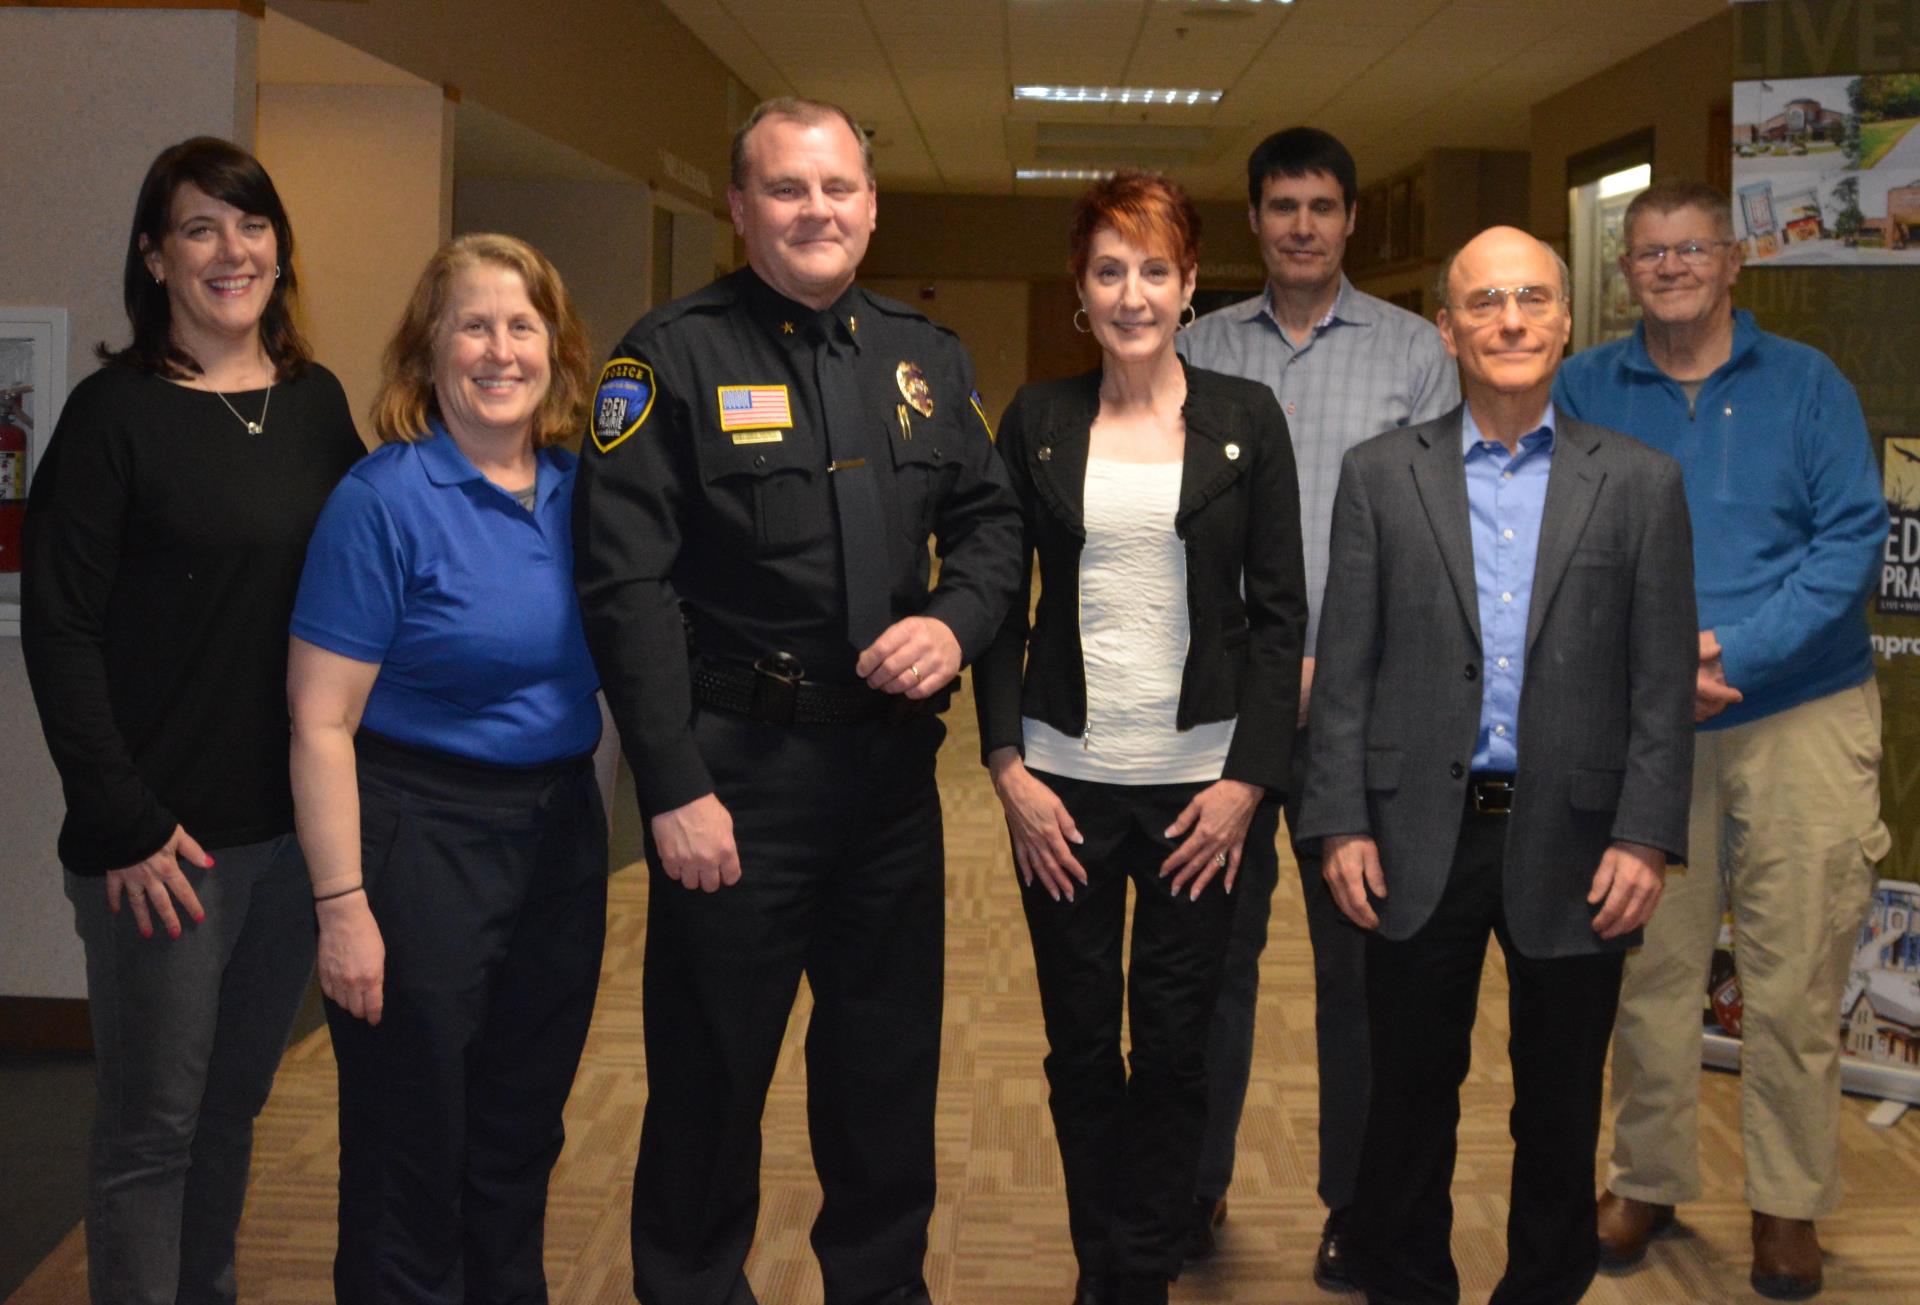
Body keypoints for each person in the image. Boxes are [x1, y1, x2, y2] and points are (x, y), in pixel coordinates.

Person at [571, 96, 1022, 1305]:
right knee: (711, 1078)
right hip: (736, 779)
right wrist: (672, 787)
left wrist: (955, 621)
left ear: (870, 206)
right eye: (786, 188)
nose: (816, 210)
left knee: (885, 1077)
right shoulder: (668, 358)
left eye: (837, 188)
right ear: (739, 207)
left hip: (888, 782)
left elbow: (991, 525)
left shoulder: (928, 360)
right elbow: (623, 587)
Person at [1296, 225, 1698, 1305]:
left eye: (1532, 300)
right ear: (1446, 328)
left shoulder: (1641, 484)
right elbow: (1347, 669)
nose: (1510, 321)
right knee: (1407, 1103)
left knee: (1559, 1111)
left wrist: (1645, 836)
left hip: (1579, 842)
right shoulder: (1381, 476)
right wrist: (1340, 822)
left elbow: (1661, 683)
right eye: (1484, 302)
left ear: (1567, 323)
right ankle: (1405, 1282)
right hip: (1412, 836)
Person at [20, 136, 363, 1305]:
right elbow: (59, 631)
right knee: (152, 1132)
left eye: (251, 224)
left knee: (230, 1111)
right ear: (155, 257)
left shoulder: (315, 406)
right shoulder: (112, 417)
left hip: (290, 838)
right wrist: (121, 819)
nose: (232, 249)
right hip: (164, 851)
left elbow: (367, 587)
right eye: (200, 227)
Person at [974, 170, 1306, 1305]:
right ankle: (1100, 1265)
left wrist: (1248, 782)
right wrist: (1008, 766)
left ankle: (1143, 1275)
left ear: (1190, 282)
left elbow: (1280, 618)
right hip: (1061, 791)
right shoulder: (1037, 420)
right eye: (1109, 270)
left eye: (1154, 269)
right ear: (1080, 287)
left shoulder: (1246, 420)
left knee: (1172, 1048)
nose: (1132, 294)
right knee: (1078, 1048)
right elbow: (999, 609)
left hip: (1199, 797)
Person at [1555, 180, 1890, 1301]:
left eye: (1692, 249)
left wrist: (1732, 653)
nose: (1671, 268)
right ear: (1627, 270)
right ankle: (1646, 1178)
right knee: (1650, 967)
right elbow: (1557, 538)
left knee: (1795, 976)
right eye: (1650, 253)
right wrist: (1655, 665)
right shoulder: (1585, 386)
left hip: (1801, 711)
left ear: (1734, 260)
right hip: (1647, 719)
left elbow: (1849, 541)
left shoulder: (1808, 383)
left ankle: (1787, 1203)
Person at [286, 232, 604, 1303]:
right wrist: (343, 906)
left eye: (523, 326)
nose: (501, 350)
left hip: (558, 838)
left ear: (558, 351)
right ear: (429, 350)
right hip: (419, 838)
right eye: (473, 326)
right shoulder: (382, 499)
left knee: (521, 1128)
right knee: (410, 1144)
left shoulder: (582, 494)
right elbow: (320, 720)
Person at [1176, 125, 1457, 1286]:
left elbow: (1437, 539)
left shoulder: (1415, 355)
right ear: (1253, 220)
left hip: (1365, 712)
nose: (1303, 226)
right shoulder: (1195, 346)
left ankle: (1358, 1205)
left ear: (1349, 219)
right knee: (1210, 962)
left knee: (1361, 978)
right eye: (1283, 206)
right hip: (1222, 712)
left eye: (1323, 206)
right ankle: (1194, 1188)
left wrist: (1331, 666)